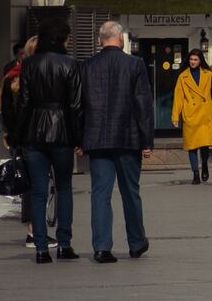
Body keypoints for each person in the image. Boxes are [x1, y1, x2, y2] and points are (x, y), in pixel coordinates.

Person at [79, 21, 154, 263]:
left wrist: (80, 139)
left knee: (100, 192)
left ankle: (101, 247)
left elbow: (79, 106)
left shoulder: (87, 66)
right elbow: (143, 104)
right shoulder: (135, 64)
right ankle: (136, 242)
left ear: (101, 40)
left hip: (97, 137)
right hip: (128, 137)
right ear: (120, 38)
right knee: (130, 191)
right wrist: (146, 140)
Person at [13, 21, 82, 262]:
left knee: (39, 192)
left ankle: (41, 247)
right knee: (64, 189)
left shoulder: (30, 64)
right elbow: (76, 105)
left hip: (34, 132)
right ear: (62, 39)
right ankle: (64, 243)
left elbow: (23, 102)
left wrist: (17, 135)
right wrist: (78, 137)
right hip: (62, 132)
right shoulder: (71, 64)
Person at [172, 49, 212, 185]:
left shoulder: (209, 75)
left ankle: (204, 165)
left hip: (204, 112)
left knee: (204, 145)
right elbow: (178, 98)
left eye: (196, 60)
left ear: (201, 60)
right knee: (192, 146)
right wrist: (175, 116)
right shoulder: (183, 77)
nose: (193, 62)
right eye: (191, 59)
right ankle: (195, 173)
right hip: (190, 113)